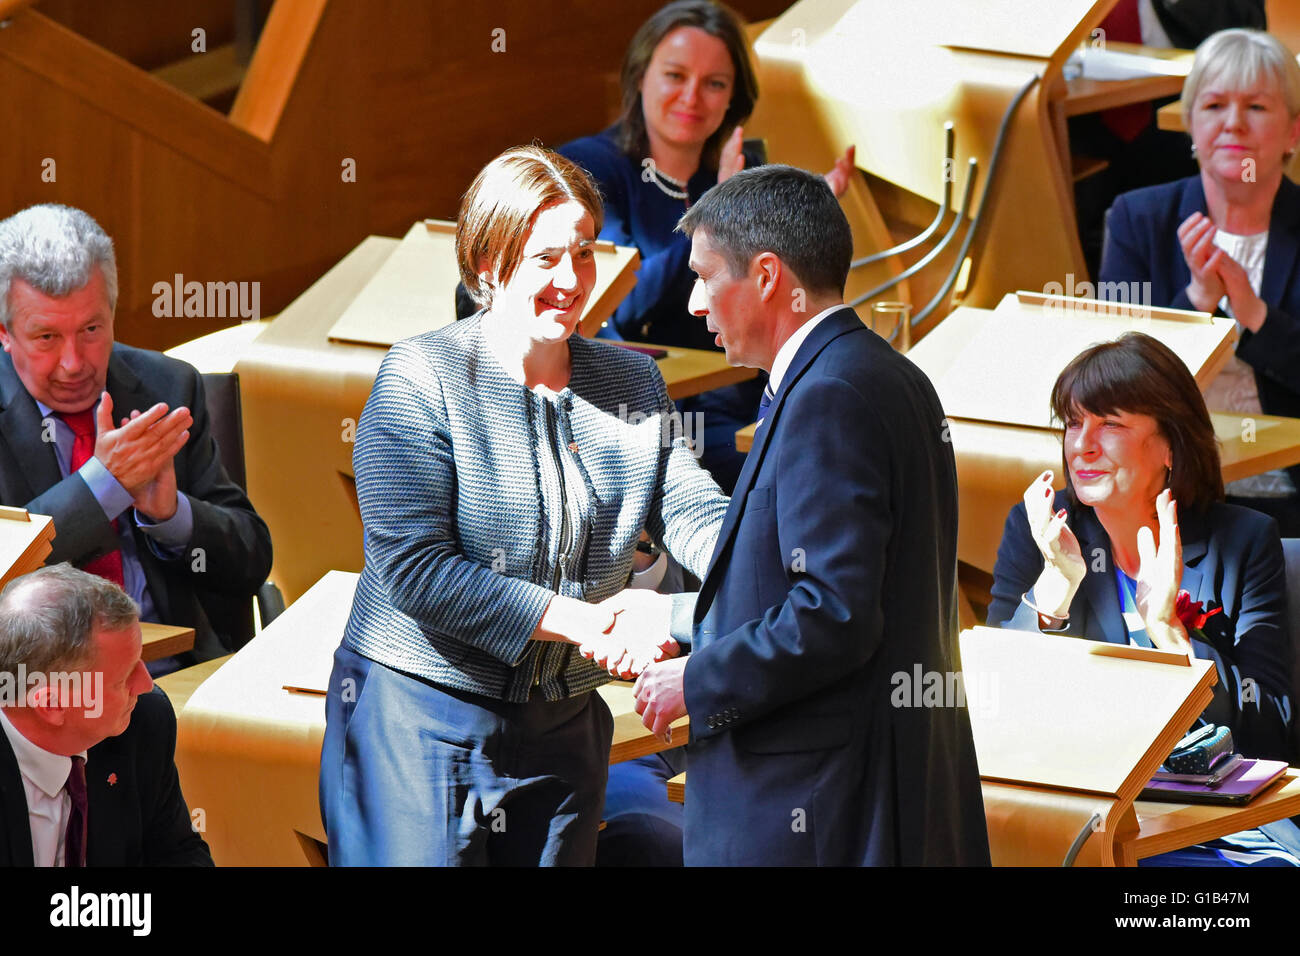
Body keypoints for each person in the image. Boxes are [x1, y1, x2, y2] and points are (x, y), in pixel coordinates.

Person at [318, 146, 729, 866]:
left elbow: (694, 512)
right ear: (487, 265)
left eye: (582, 252)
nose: (570, 280)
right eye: (544, 259)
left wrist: (765, 554)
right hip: (418, 727)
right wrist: (589, 622)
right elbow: (418, 571)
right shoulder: (420, 376)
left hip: (563, 731)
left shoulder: (631, 381)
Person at [633, 164, 990, 866]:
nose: (695, 302)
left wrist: (696, 678)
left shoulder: (828, 395)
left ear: (767, 276)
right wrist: (679, 619)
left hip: (825, 813)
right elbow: (796, 581)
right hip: (872, 794)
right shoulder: (881, 373)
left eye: (705, 276)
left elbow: (833, 613)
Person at [988, 333, 1298, 865]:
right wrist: (1052, 599)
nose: (1082, 444)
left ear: (1170, 445)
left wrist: (1171, 635)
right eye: (1074, 422)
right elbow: (998, 712)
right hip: (1084, 826)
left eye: (1110, 425)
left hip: (1218, 828)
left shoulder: (1244, 542)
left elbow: (1272, 732)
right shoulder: (1038, 530)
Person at [558, 0, 854, 494]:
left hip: (750, 389)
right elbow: (623, 306)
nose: (692, 97)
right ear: (639, 77)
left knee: (849, 448)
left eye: (715, 83)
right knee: (794, 483)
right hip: (653, 409)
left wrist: (801, 224)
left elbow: (773, 299)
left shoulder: (736, 171)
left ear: (733, 98)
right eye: (675, 75)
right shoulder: (591, 167)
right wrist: (718, 215)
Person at [0, 203, 272, 664]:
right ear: (5, 334)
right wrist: (103, 488)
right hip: (38, 688)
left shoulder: (168, 387)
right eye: (46, 337)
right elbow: (6, 575)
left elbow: (251, 561)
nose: (74, 363)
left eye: (91, 329)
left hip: (174, 670)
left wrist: (172, 515)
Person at [1099, 28, 1300, 533]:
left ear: (1293, 133)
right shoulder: (1137, 219)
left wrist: (1252, 315)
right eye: (1213, 106)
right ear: (1190, 124)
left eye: (1256, 107)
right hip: (1165, 494)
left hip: (1290, 496)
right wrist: (1197, 301)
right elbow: (1112, 383)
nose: (1234, 124)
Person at [0, 564, 213, 866]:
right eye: (123, 678)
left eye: (141, 660)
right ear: (51, 705)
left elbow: (179, 853)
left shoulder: (145, 720)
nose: (146, 684)